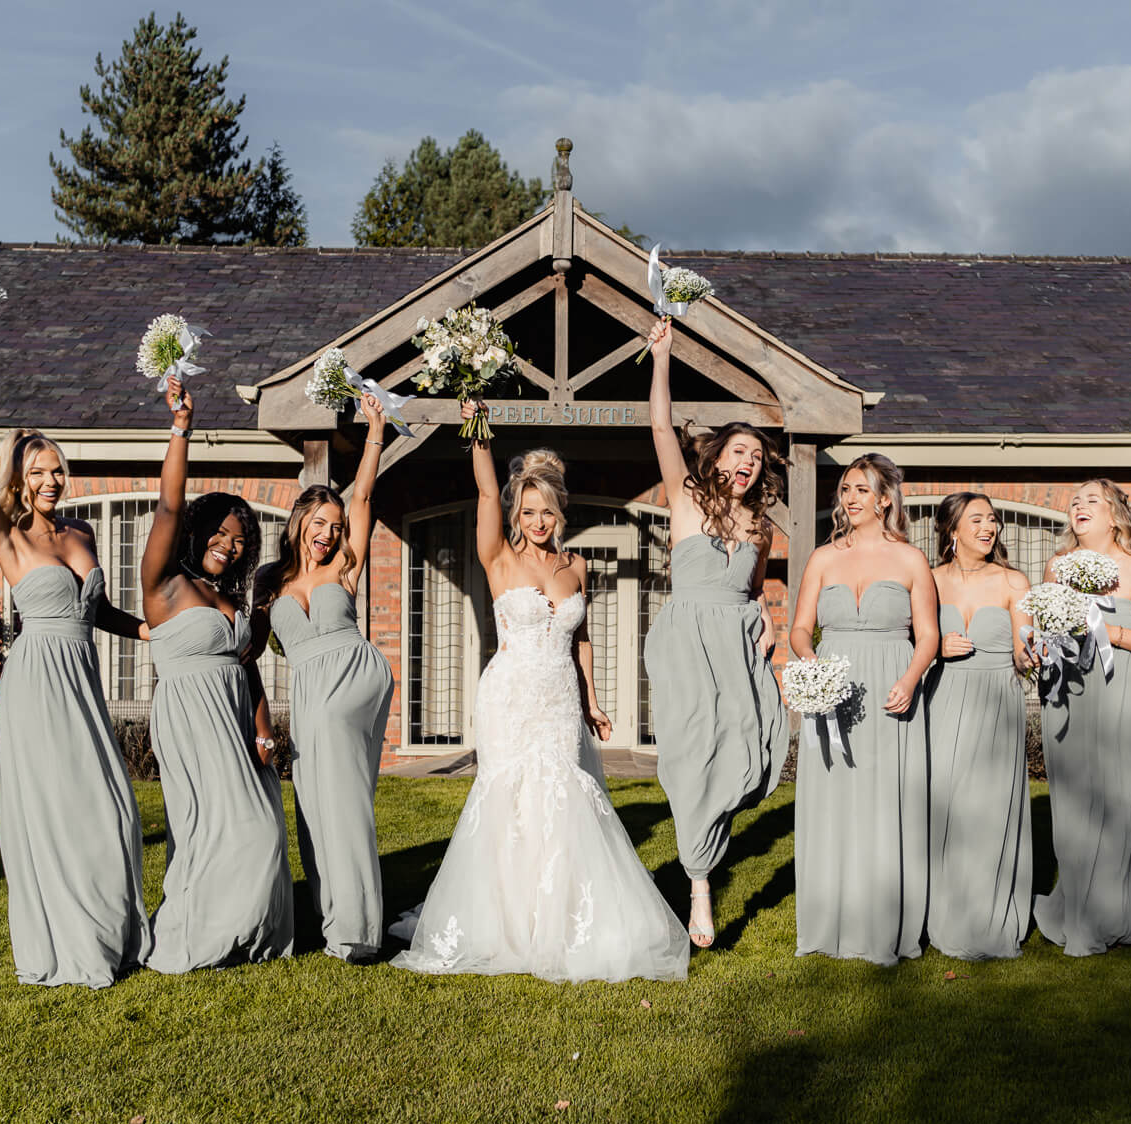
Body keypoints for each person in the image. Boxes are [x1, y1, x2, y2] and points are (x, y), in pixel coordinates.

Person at [391, 404, 689, 982]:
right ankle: (507, 922)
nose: (537, 521)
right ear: (517, 514)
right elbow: (483, 496)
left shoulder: (578, 567)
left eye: (545, 511)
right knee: (513, 799)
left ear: (558, 511)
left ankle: (565, 918)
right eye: (526, 512)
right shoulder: (499, 559)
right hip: (510, 695)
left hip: (558, 699)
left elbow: (581, 641)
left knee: (564, 794)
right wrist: (477, 433)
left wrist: (593, 702)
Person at [0, 333, 149, 988]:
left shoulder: (83, 533)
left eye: (57, 469)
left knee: (111, 805)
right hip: (36, 682)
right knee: (58, 807)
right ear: (21, 481)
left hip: (81, 681)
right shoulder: (8, 538)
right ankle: (70, 940)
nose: (51, 479)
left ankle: (110, 927)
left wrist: (151, 632)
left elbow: (101, 612)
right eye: (37, 471)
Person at [641, 317, 788, 948]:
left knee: (751, 755)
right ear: (718, 456)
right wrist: (663, 357)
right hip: (687, 640)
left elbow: (755, 592)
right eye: (739, 452)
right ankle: (699, 883)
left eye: (757, 457)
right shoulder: (685, 498)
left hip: (738, 642)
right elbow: (658, 422)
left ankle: (709, 837)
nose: (749, 463)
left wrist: (772, 623)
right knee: (691, 752)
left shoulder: (761, 528)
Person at [139, 377, 293, 972]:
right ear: (197, 531)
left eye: (240, 539)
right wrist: (180, 429)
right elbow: (169, 505)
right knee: (222, 831)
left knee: (260, 827)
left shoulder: (232, 598)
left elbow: (249, 671)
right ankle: (201, 937)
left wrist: (263, 730)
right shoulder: (166, 587)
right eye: (220, 533)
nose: (229, 545)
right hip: (190, 721)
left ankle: (244, 934)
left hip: (236, 722)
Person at [254, 392, 394, 962]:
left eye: (335, 526)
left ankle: (358, 930)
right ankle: (331, 915)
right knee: (314, 801)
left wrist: (375, 432)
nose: (328, 533)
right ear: (300, 523)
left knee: (345, 802)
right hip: (309, 691)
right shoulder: (271, 581)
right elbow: (248, 652)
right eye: (319, 523)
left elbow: (362, 494)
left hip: (352, 679)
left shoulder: (346, 566)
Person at [788, 453, 938, 965]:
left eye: (859, 489)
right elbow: (800, 628)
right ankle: (830, 919)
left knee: (883, 798)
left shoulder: (910, 560)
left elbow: (930, 635)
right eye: (845, 489)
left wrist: (910, 679)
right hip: (833, 685)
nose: (848, 498)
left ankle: (882, 921)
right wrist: (813, 666)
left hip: (890, 686)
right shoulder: (823, 557)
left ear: (885, 499)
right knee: (834, 797)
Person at [1034, 478, 1131, 956]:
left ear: (1115, 514)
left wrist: (1109, 631)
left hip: (1128, 687)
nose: (1079, 506)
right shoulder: (1057, 566)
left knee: (1122, 793)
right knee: (1076, 798)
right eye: (1074, 501)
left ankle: (1125, 910)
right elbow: (1047, 629)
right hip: (1072, 691)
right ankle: (1079, 908)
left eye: (1091, 500)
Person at [925, 492, 1033, 960]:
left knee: (990, 808)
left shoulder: (1014, 582)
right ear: (952, 530)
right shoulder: (927, 580)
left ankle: (989, 916)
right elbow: (907, 644)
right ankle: (941, 914)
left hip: (995, 703)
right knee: (944, 806)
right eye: (977, 520)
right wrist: (933, 649)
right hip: (942, 700)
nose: (989, 527)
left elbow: (1024, 653)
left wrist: (1037, 652)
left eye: (993, 520)